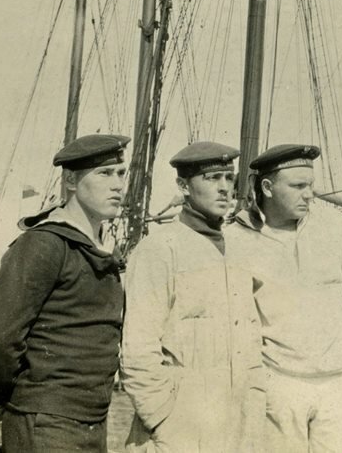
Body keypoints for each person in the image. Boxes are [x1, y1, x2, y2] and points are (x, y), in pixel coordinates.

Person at [0, 134, 129, 453]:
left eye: (120, 173)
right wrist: (22, 400)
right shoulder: (44, 245)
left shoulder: (98, 251)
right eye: (104, 173)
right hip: (45, 427)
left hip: (91, 424)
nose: (118, 185)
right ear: (70, 180)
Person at [229, 143, 342, 453]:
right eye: (298, 186)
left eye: (310, 185)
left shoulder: (335, 226)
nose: (309, 195)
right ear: (267, 187)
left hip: (341, 384)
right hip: (278, 388)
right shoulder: (236, 239)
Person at [120, 141, 264, 452]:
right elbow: (138, 348)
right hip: (180, 425)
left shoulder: (240, 251)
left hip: (237, 423)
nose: (224, 188)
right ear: (184, 186)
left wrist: (255, 402)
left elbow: (252, 337)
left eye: (229, 178)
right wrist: (162, 418)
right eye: (212, 178)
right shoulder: (159, 249)